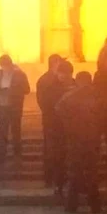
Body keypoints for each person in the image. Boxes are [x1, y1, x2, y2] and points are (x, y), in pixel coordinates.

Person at [56, 71, 103, 213]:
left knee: (74, 172)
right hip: (92, 138)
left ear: (77, 81)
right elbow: (104, 114)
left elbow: (58, 109)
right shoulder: (97, 95)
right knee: (92, 172)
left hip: (75, 139)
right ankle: (95, 205)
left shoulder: (69, 97)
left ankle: (71, 204)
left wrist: (68, 126)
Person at [0, 55, 31, 163]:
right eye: (3, 66)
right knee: (3, 132)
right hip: (2, 106)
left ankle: (17, 154)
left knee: (16, 131)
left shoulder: (19, 75)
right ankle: (2, 155)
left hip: (15, 106)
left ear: (11, 64)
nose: (5, 68)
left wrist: (13, 91)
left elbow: (27, 89)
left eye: (6, 66)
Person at [36, 54, 63, 186]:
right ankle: (51, 177)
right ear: (55, 63)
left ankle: (52, 177)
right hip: (52, 119)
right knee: (51, 149)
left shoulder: (45, 79)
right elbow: (43, 101)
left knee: (52, 149)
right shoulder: (47, 80)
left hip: (52, 120)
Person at [50, 60, 76, 196]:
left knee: (73, 158)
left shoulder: (77, 86)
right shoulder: (52, 87)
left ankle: (73, 184)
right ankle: (59, 184)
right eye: (61, 74)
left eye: (67, 75)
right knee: (58, 157)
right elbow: (49, 107)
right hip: (57, 128)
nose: (64, 77)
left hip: (74, 129)